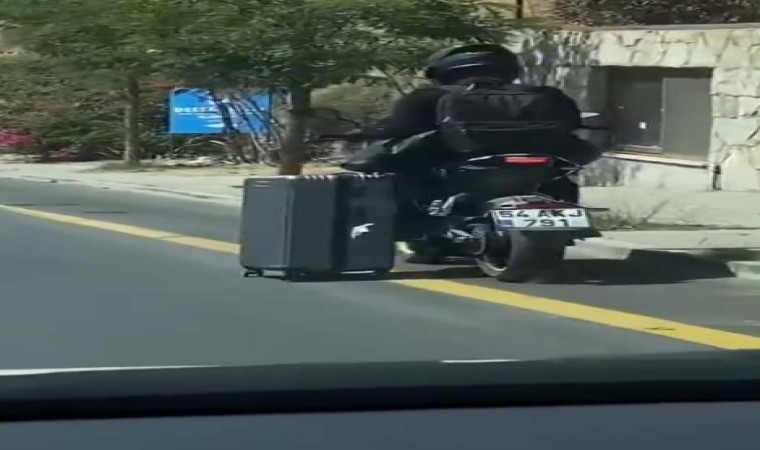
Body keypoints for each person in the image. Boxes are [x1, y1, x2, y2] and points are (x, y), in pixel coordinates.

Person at [341, 43, 601, 190]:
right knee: (564, 170)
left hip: (459, 162)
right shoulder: (545, 94)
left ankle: (404, 224)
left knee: (387, 163)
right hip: (539, 160)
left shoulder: (430, 96)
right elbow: (572, 122)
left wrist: (365, 132)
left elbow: (400, 128)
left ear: (445, 70)